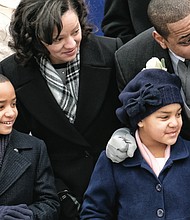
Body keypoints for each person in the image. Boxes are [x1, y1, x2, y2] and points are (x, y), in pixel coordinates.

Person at [0, 0, 123, 219]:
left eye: (75, 31)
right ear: (35, 38)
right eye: (57, 39)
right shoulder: (13, 72)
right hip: (60, 191)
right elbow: (18, 142)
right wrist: (58, 192)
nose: (71, 44)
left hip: (116, 180)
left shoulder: (111, 52)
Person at [80, 65, 190, 219]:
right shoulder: (113, 160)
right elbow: (94, 212)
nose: (175, 123)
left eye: (178, 114)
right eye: (164, 117)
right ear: (140, 120)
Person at [105, 0, 190, 164]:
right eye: (185, 41)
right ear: (160, 39)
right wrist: (124, 134)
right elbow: (130, 119)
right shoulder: (130, 60)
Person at [0, 74, 60, 219]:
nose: (11, 113)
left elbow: (50, 203)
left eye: (13, 104)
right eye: (1, 106)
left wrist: (28, 215)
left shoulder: (34, 148)